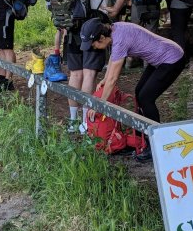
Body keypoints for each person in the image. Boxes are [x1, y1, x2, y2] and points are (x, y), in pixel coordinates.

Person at [80, 17, 186, 162]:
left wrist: (99, 105)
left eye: (94, 45)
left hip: (172, 59)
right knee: (139, 93)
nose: (94, 48)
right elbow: (114, 57)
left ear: (102, 38)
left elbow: (113, 79)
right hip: (160, 58)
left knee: (146, 98)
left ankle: (155, 144)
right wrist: (105, 77)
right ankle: (140, 138)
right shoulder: (115, 29)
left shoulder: (120, 40)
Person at [65, 0, 131, 133]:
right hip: (94, 27)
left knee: (75, 75)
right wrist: (116, 9)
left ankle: (72, 121)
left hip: (73, 26)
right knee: (89, 74)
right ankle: (86, 122)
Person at [42, 0, 82, 82]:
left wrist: (53, 1)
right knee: (66, 29)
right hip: (64, 6)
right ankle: (65, 57)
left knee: (60, 29)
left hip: (54, 5)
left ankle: (57, 53)